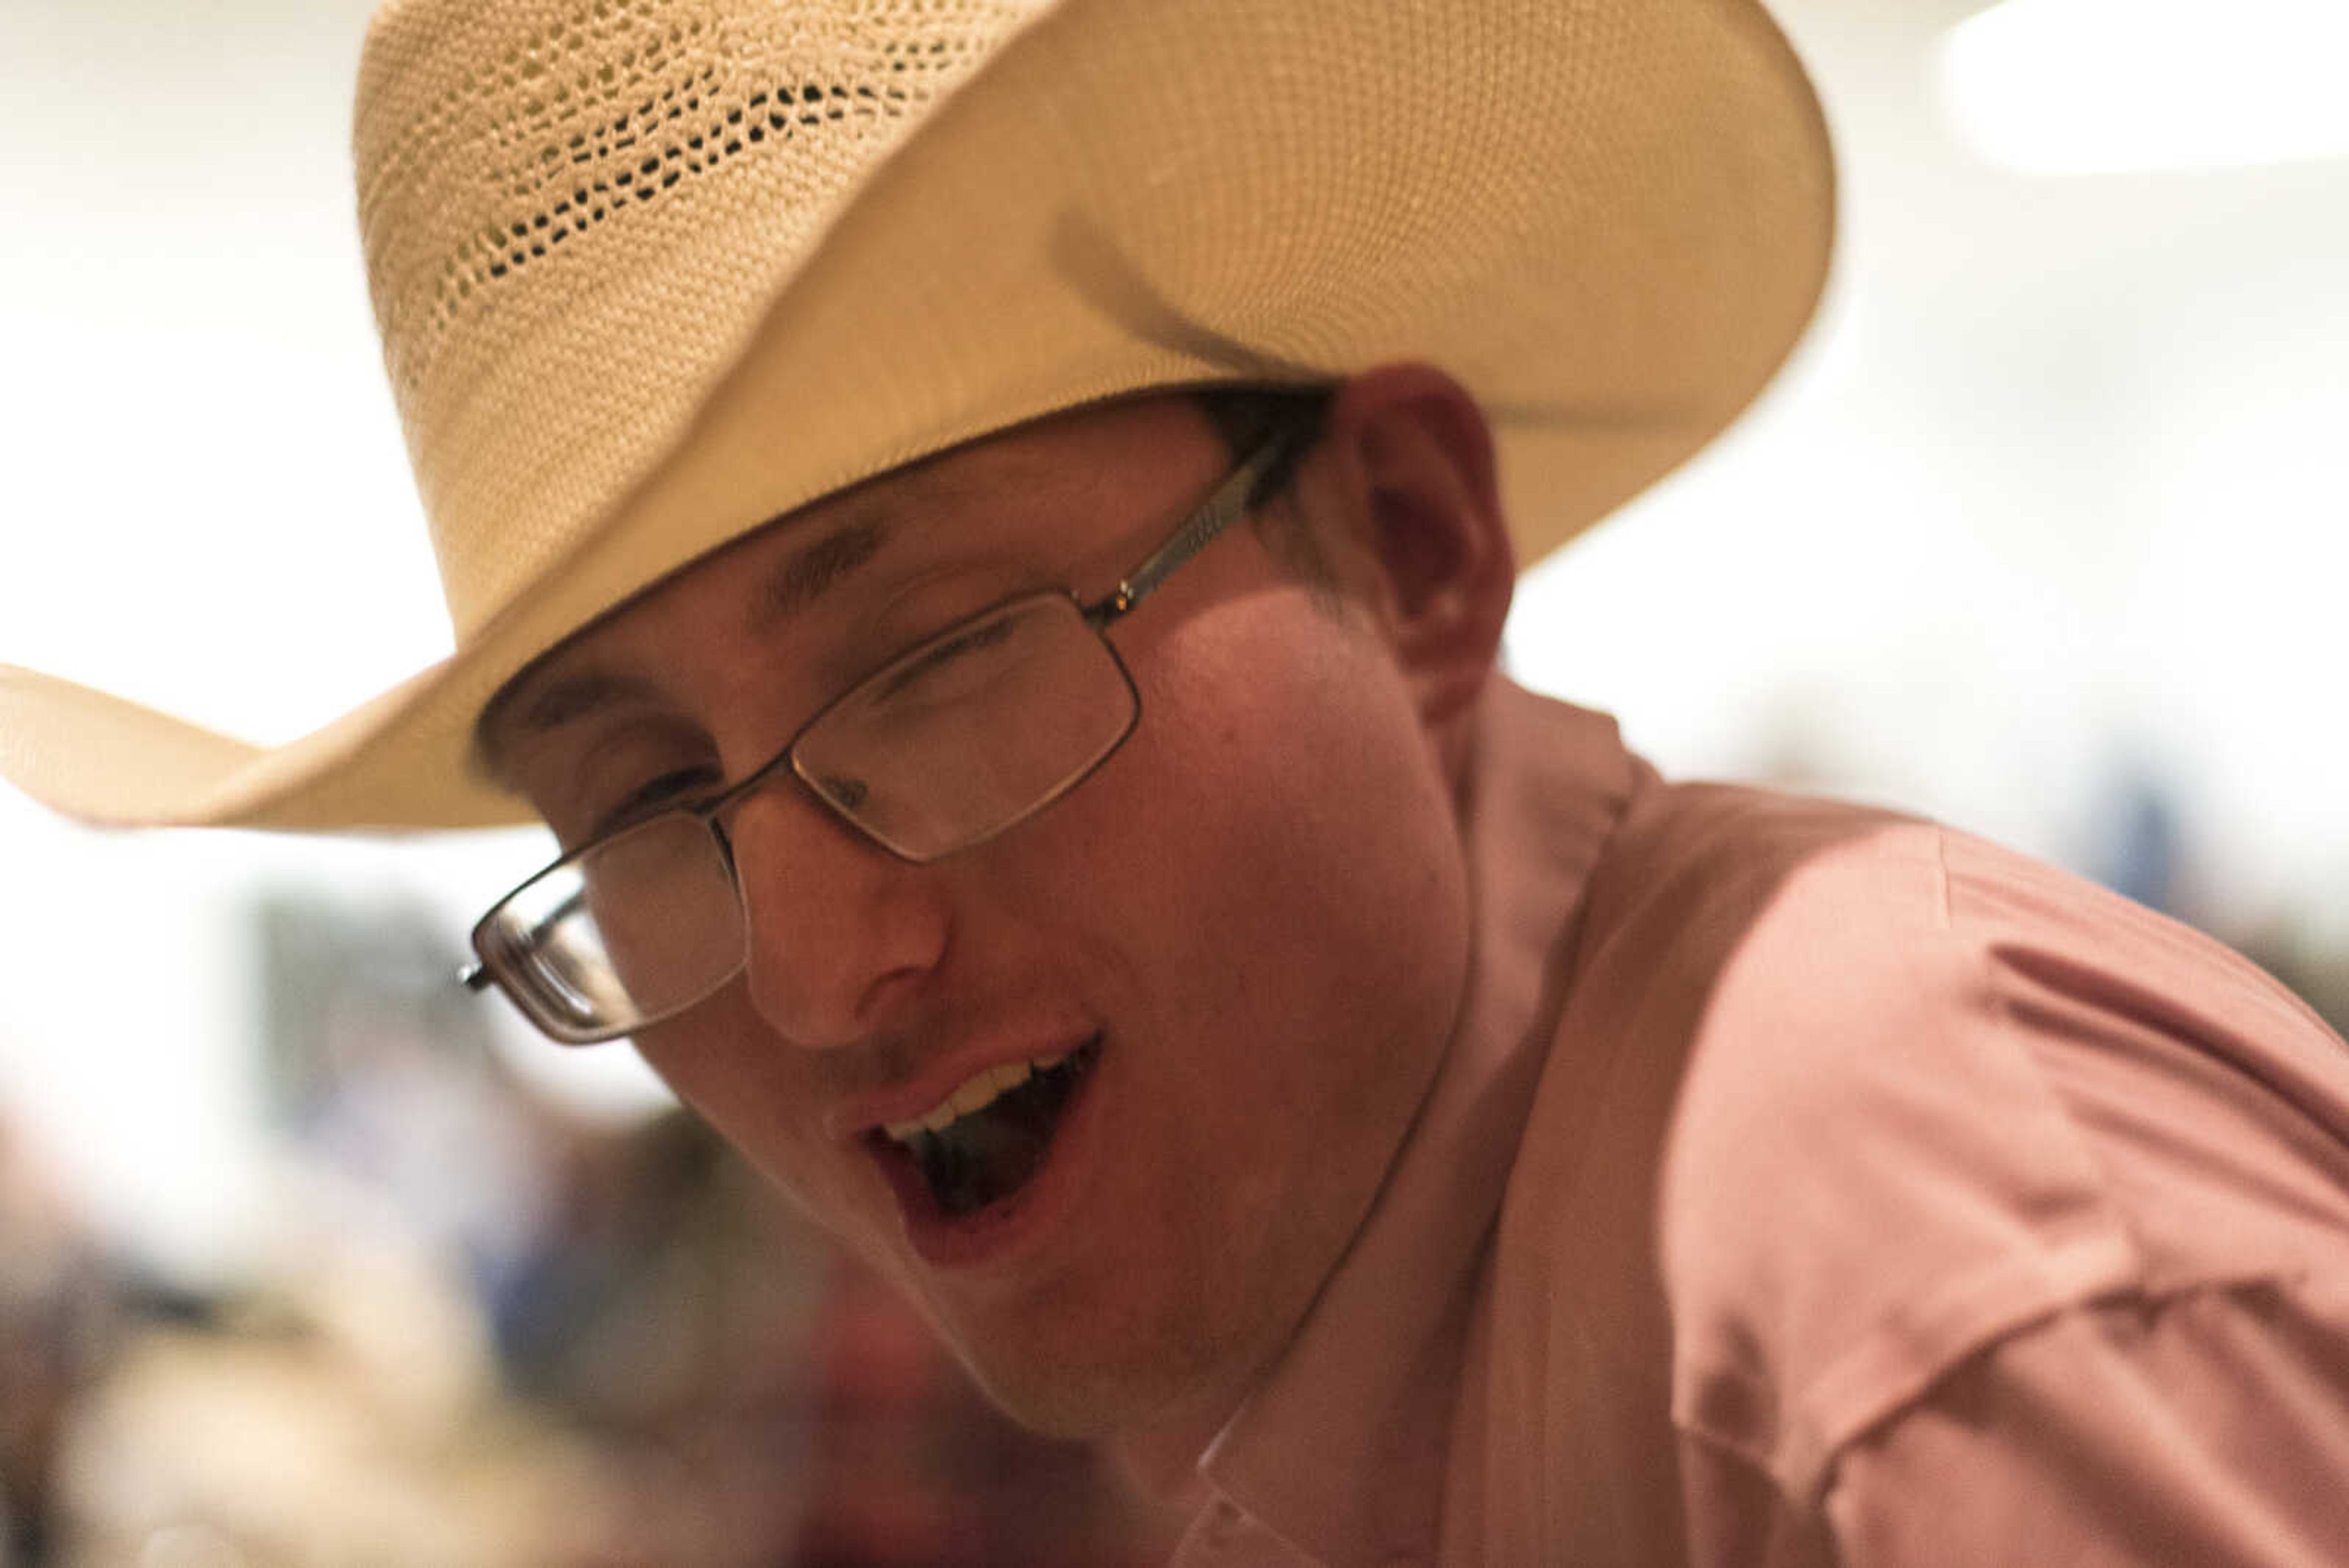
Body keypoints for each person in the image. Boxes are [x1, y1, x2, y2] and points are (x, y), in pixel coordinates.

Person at [4, 2, 2346, 1564]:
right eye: (640, 809)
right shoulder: (1326, 1306)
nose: (819, 974)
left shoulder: (1899, 1261)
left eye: (933, 663)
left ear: (1413, 547)